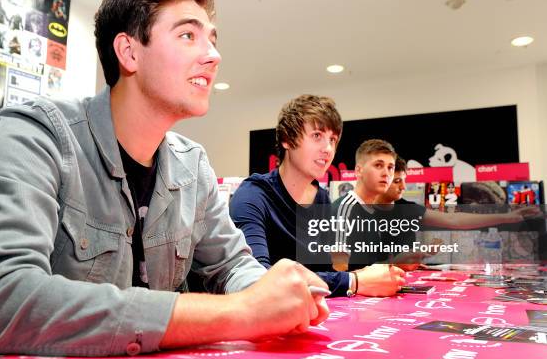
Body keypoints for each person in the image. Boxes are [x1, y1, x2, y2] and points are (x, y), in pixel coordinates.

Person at [0, 0, 329, 357]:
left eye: (212, 40)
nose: (214, 56)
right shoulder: (33, 133)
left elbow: (231, 264)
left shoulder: (192, 163)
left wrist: (274, 292)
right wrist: (239, 313)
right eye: (188, 35)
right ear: (129, 52)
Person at [230, 96, 405, 298]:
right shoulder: (253, 196)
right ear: (287, 139)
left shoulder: (321, 199)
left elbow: (327, 271)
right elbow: (259, 282)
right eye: (316, 135)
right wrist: (354, 281)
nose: (328, 149)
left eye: (332, 140)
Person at [374, 157, 542, 269]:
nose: (403, 187)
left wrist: (508, 217)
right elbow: (355, 273)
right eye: (397, 181)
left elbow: (454, 219)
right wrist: (396, 263)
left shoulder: (407, 208)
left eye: (404, 181)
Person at [331, 139, 398, 270]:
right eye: (378, 165)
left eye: (390, 167)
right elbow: (339, 273)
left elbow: (373, 266)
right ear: (358, 171)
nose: (386, 173)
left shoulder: (372, 210)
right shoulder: (345, 209)